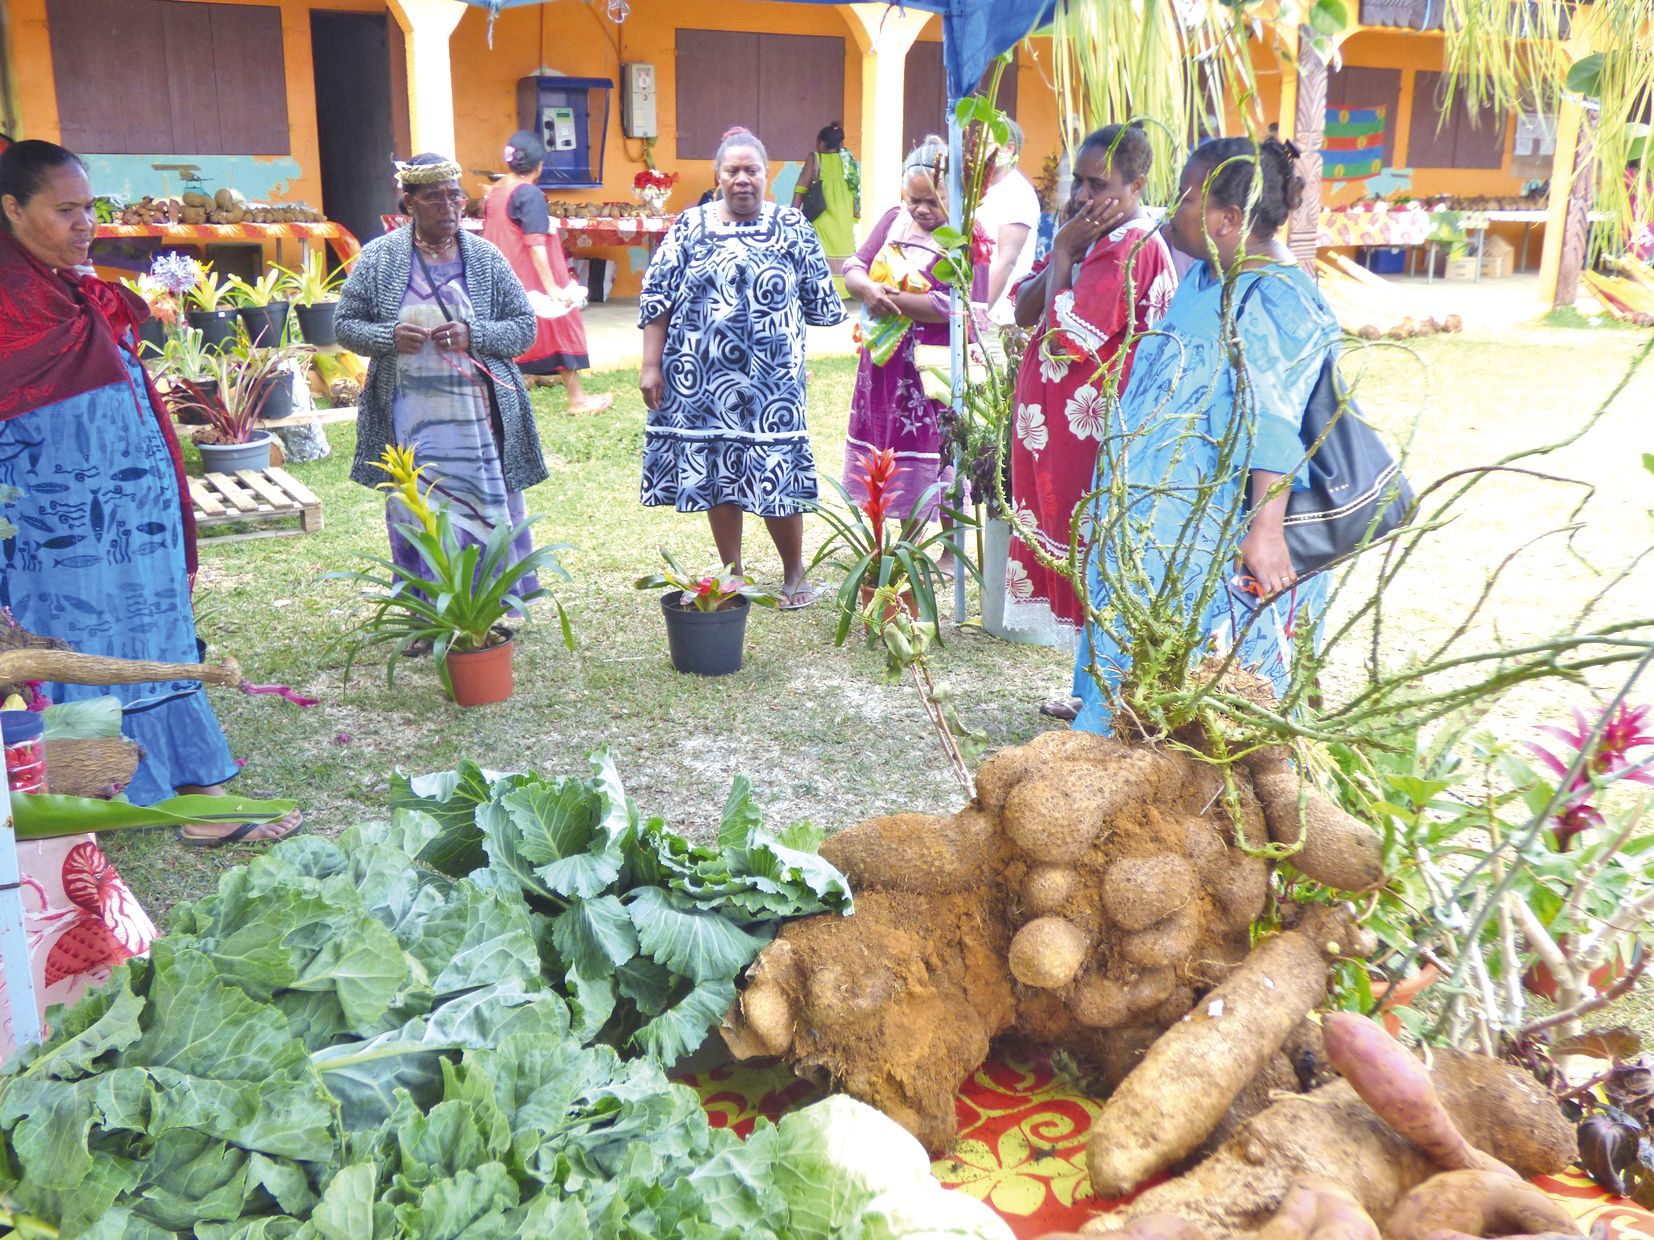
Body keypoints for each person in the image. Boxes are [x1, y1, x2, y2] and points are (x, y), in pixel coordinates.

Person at [0, 140, 300, 845]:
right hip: (55, 532)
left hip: (137, 517)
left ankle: (198, 783)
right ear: (11, 208)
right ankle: (94, 790)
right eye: (64, 210)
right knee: (77, 642)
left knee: (154, 630)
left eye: (89, 209)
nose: (85, 225)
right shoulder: (9, 304)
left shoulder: (79, 289)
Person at [1071, 136, 1342, 737]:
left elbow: (1273, 418)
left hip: (1209, 534)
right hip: (1157, 525)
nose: (1172, 209)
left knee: (1207, 699)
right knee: (1136, 682)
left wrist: (1265, 531)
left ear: (1229, 220)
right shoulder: (1211, 279)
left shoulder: (1277, 298)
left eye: (1187, 198)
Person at [336, 153, 546, 637]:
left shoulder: (486, 258)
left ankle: (489, 613)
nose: (448, 205)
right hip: (410, 416)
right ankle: (428, 616)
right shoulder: (381, 258)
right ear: (408, 202)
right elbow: (345, 325)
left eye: (455, 195)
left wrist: (474, 335)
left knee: (484, 504)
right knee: (420, 509)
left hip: (479, 417)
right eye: (433, 196)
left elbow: (524, 328)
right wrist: (389, 337)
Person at [637, 129, 844, 609]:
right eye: (732, 171)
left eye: (752, 170)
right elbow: (657, 296)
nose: (742, 179)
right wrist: (651, 365)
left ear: (767, 174)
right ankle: (733, 574)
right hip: (699, 381)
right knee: (718, 473)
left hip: (772, 387)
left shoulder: (793, 227)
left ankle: (795, 573)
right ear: (718, 176)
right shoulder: (690, 226)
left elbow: (820, 304)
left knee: (777, 473)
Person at [1003, 124, 1178, 687]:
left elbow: (1063, 339)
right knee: (1089, 564)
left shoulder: (1128, 247)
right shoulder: (1088, 239)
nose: (1080, 195)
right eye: (1077, 180)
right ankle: (1089, 695)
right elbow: (1026, 311)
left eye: (1095, 183)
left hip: (1096, 439)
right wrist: (1062, 250)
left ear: (1136, 185)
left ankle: (1102, 699)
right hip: (1068, 436)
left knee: (1096, 562)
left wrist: (1061, 254)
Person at [841, 136, 987, 544]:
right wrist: (867, 289)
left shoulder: (967, 234)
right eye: (913, 200)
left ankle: (948, 546)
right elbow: (855, 265)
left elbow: (961, 304)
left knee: (938, 446)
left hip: (934, 367)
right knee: (893, 443)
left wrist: (891, 298)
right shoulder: (892, 221)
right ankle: (905, 542)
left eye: (932, 202)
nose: (921, 210)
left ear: (953, 196)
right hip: (886, 365)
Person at [482, 131, 613, 415]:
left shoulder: (496, 192)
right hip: (532, 280)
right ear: (539, 166)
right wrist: (552, 288)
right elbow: (535, 242)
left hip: (505, 278)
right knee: (564, 327)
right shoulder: (528, 193)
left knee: (510, 341)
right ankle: (577, 399)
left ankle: (498, 407)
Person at [975, 119, 1042, 326]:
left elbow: (1005, 261)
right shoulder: (980, 189)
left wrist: (978, 315)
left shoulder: (1017, 192)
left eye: (985, 143)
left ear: (1008, 148)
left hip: (995, 318)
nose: (977, 150)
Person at [790, 121, 861, 273]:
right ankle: (844, 288)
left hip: (821, 218)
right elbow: (856, 190)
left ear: (821, 142)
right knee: (844, 254)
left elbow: (801, 188)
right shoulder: (849, 161)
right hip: (845, 220)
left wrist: (791, 215)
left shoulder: (815, 158)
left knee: (818, 256)